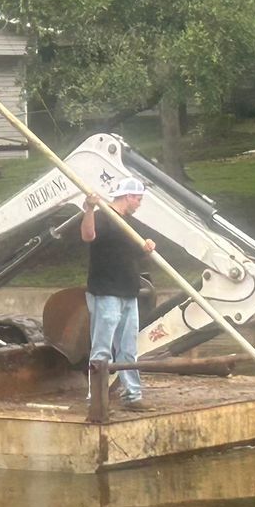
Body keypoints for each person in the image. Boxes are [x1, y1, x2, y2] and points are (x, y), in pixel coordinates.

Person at [80, 171, 158, 410]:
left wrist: (146, 248)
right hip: (106, 291)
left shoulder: (129, 224)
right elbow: (88, 235)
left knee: (128, 347)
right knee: (102, 346)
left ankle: (132, 396)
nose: (139, 204)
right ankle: (96, 398)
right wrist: (90, 210)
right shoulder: (103, 216)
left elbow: (132, 255)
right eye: (138, 199)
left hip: (128, 292)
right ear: (128, 196)